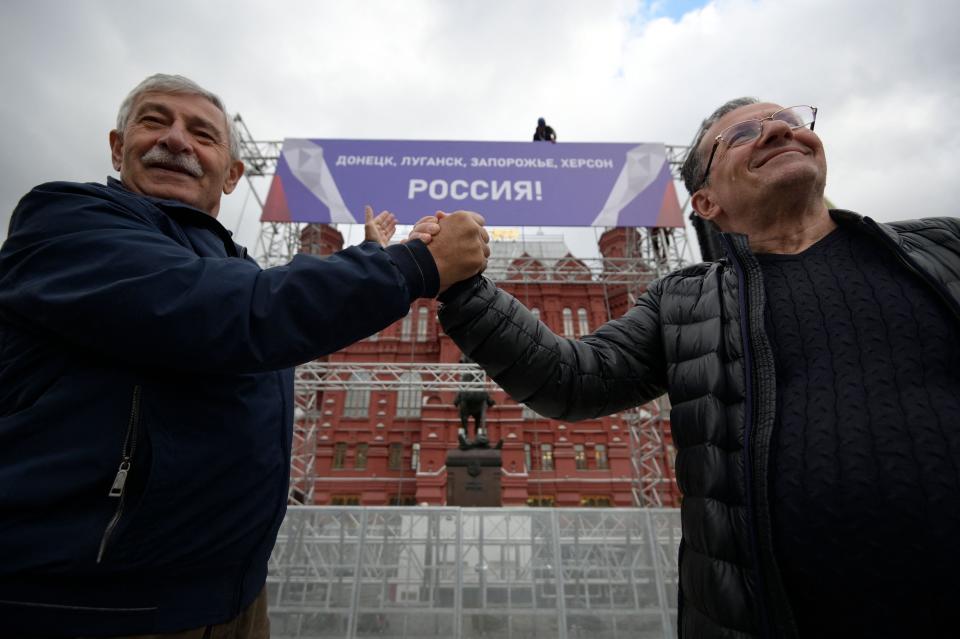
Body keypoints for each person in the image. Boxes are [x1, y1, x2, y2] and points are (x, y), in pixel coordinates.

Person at [429, 98, 960, 638]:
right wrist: (464, 287)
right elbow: (573, 378)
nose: (778, 130)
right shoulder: (685, 302)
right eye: (743, 134)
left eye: (793, 122)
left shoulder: (942, 250)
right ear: (707, 203)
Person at [0, 73, 489, 637]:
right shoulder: (66, 221)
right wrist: (412, 266)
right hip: (91, 606)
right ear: (118, 146)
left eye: (203, 134)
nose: (179, 140)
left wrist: (371, 262)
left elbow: (261, 313)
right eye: (156, 121)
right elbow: (233, 312)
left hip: (231, 598)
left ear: (232, 174)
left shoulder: (233, 266)